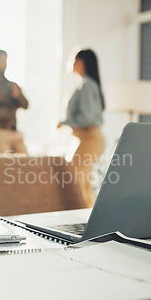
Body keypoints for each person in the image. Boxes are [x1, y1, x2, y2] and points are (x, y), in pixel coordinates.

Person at [57, 48, 105, 207]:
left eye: (74, 59)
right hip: (87, 138)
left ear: (81, 62)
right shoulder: (87, 85)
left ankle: (80, 217)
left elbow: (87, 117)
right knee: (82, 182)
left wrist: (64, 122)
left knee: (73, 178)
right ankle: (86, 216)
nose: (71, 63)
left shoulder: (86, 85)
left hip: (90, 138)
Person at [0, 49, 29, 154]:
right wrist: (11, 108)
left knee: (27, 163)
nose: (4, 64)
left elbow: (26, 105)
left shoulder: (12, 85)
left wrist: (17, 96)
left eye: (5, 61)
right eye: (1, 61)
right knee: (3, 166)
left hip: (14, 131)